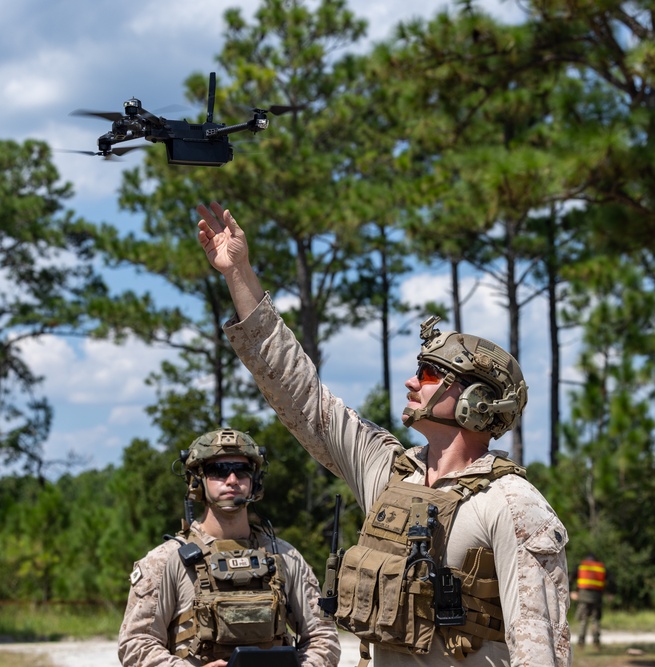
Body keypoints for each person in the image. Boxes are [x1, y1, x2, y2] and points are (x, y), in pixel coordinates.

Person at [196, 202, 571, 666]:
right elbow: (300, 394)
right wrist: (239, 273)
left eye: (432, 373)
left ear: (477, 400)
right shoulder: (389, 473)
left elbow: (541, 652)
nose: (413, 381)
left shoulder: (513, 505)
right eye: (418, 369)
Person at [117, 428, 341, 667]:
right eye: (219, 471)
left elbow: (322, 637)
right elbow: (136, 643)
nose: (232, 480)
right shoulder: (165, 561)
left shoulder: (284, 557)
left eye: (242, 470)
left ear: (255, 480)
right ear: (196, 480)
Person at [574, 553, 606, 648]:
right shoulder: (600, 567)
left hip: (583, 597)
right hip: (596, 597)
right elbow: (610, 580)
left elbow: (571, 577)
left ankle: (581, 642)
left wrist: (572, 591)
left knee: (583, 620)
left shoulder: (581, 566)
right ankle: (596, 642)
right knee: (595, 620)